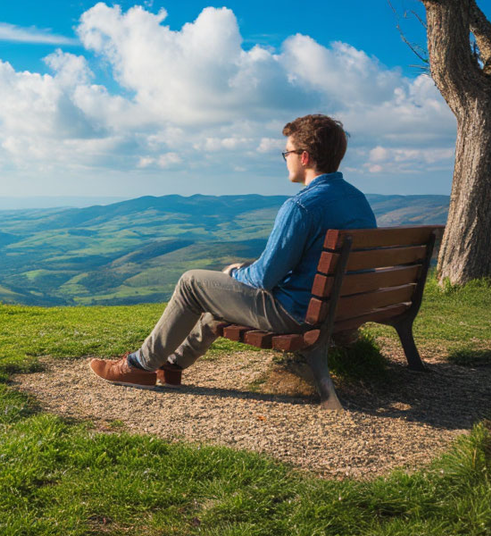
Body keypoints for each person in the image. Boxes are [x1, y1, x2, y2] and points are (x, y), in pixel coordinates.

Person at [89, 114, 377, 388]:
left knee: (192, 282)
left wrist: (235, 271)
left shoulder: (301, 206)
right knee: (220, 292)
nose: (285, 160)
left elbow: (264, 278)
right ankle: (173, 365)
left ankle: (138, 366)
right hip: (341, 309)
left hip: (298, 315)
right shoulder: (357, 199)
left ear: (304, 157)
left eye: (286, 153)